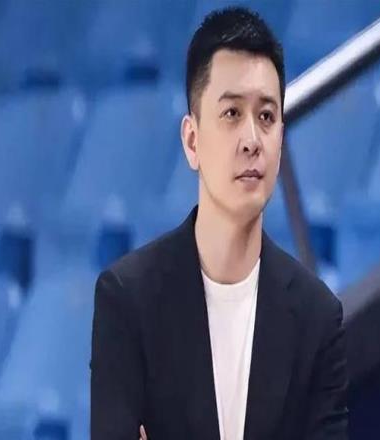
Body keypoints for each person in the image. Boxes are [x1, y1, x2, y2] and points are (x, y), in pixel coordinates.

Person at [90, 6, 349, 440]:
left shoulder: (317, 317)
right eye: (231, 114)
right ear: (192, 141)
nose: (252, 140)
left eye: (266, 117)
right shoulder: (128, 300)